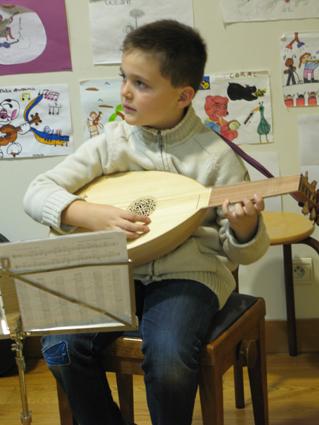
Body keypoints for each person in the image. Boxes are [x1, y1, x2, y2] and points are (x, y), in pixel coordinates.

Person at [23, 19, 270, 425]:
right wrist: (87, 213)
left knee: (170, 357)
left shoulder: (215, 158)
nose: (124, 92)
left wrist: (244, 227)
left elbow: (241, 249)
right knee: (60, 348)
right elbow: (37, 191)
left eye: (141, 83)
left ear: (183, 95)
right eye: (124, 77)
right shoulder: (111, 142)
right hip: (116, 272)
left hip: (190, 276)